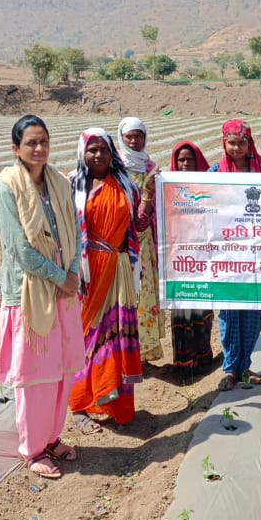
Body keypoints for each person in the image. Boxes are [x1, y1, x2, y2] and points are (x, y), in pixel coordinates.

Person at [0, 115, 82, 479]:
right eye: (31, 143)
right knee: (35, 374)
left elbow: (74, 233)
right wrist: (61, 277)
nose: (39, 148)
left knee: (61, 368)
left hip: (63, 289)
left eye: (44, 141)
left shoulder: (59, 182)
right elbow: (20, 250)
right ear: (16, 149)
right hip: (30, 293)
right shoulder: (7, 188)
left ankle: (51, 437)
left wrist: (73, 270)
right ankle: (32, 450)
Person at [68, 128, 146, 431]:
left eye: (103, 149)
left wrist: (149, 195)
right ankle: (81, 403)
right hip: (88, 272)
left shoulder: (126, 184)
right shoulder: (73, 186)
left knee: (117, 336)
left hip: (119, 269)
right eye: (92, 149)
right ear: (82, 153)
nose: (98, 154)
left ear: (112, 151)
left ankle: (116, 403)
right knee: (88, 338)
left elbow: (138, 225)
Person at [209, 119, 261, 391]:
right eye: (231, 143)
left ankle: (244, 366)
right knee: (228, 312)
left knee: (253, 311)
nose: (236, 148)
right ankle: (230, 368)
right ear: (224, 144)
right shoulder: (214, 173)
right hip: (226, 255)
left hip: (257, 253)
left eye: (241, 142)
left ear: (250, 143)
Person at [118, 117, 164, 364]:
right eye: (129, 137)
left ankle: (142, 353)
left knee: (143, 295)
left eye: (139, 136)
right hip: (120, 243)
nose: (134, 141)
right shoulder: (114, 167)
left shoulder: (150, 168)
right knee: (124, 295)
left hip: (144, 243)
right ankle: (122, 352)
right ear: (121, 138)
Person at [167, 141, 215, 369]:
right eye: (181, 160)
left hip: (203, 255)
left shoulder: (209, 187)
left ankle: (203, 355)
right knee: (182, 306)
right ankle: (184, 361)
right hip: (178, 256)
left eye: (189, 159)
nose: (185, 164)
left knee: (202, 304)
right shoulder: (167, 188)